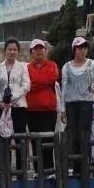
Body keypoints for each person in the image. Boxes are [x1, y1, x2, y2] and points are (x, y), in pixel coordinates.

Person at [60, 37, 94, 173]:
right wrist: (62, 109)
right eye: (79, 48)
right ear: (74, 50)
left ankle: (85, 168)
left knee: (85, 134)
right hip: (71, 105)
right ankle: (76, 169)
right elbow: (64, 89)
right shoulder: (66, 67)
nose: (83, 50)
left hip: (86, 104)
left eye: (85, 47)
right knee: (74, 136)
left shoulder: (91, 64)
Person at [26, 39, 61, 171]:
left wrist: (36, 83)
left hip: (48, 110)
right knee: (35, 142)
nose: (39, 51)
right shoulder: (27, 67)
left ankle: (49, 170)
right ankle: (37, 171)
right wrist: (42, 83)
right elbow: (28, 85)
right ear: (31, 52)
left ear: (45, 50)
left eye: (41, 48)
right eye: (36, 49)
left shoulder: (52, 65)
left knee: (48, 141)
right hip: (32, 110)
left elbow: (51, 78)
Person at [0, 38, 31, 137]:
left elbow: (26, 85)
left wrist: (12, 98)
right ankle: (5, 153)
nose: (12, 52)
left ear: (18, 51)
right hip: (2, 107)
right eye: (10, 49)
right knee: (4, 137)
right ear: (5, 50)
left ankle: (22, 153)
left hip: (18, 106)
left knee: (20, 137)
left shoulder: (23, 67)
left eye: (15, 49)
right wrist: (0, 102)